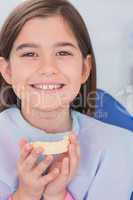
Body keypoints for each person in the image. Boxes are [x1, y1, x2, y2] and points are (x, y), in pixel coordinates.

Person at [0, 0, 133, 200]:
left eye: (63, 53)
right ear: (7, 70)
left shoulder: (119, 147)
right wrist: (24, 195)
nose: (47, 67)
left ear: (85, 69)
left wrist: (57, 195)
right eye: (29, 54)